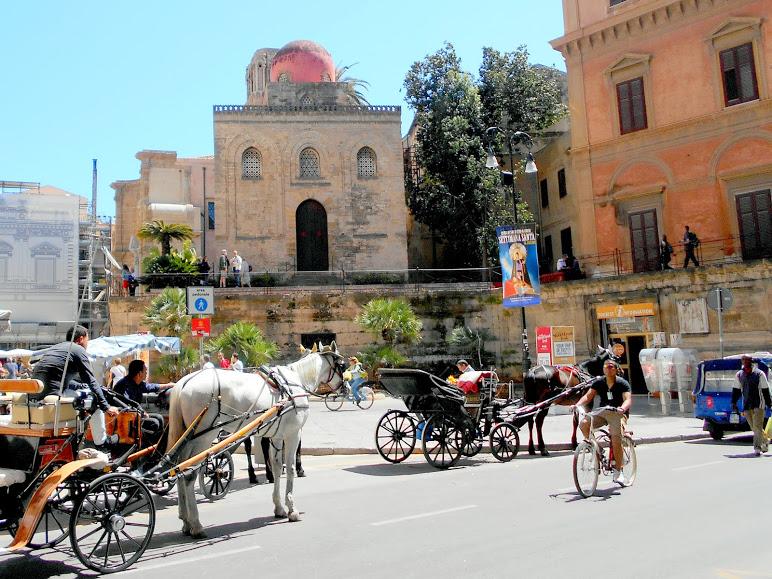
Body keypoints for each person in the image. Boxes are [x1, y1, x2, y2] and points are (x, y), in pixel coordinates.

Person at [30, 325, 119, 447]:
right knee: (94, 400)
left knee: (83, 395)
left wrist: (78, 386)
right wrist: (106, 407)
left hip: (36, 395)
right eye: (87, 340)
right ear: (81, 339)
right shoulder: (78, 349)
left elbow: (57, 377)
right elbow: (91, 381)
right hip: (53, 395)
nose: (87, 344)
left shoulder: (57, 348)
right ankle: (102, 442)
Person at [572, 360, 632, 486]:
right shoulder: (599, 382)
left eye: (610, 367)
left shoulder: (622, 383)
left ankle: (618, 471)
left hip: (617, 413)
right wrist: (577, 405)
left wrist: (622, 408)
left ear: (615, 369)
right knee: (584, 424)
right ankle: (597, 449)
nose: (608, 369)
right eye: (606, 367)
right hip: (602, 412)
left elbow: (628, 399)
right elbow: (588, 396)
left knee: (616, 439)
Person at [113, 360, 174, 443]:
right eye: (145, 371)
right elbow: (125, 405)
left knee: (159, 418)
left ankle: (156, 446)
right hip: (126, 419)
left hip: (136, 415)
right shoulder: (123, 386)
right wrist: (141, 413)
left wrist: (169, 385)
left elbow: (152, 387)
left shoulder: (138, 383)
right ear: (139, 373)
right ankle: (144, 446)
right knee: (154, 423)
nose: (146, 373)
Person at [732, 354, 771, 456]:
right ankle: (765, 441)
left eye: (747, 360)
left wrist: (769, 404)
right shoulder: (739, 375)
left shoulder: (759, 374)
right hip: (747, 404)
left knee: (757, 426)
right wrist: (733, 402)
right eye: (743, 360)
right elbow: (736, 390)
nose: (745, 362)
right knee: (753, 427)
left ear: (751, 361)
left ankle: (757, 448)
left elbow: (765, 390)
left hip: (759, 403)